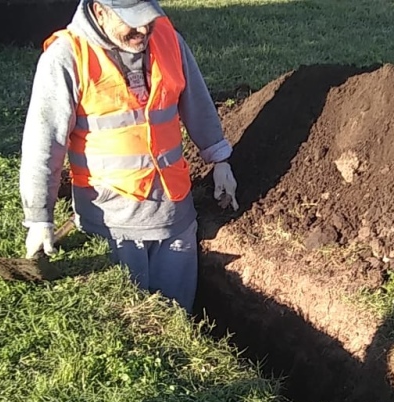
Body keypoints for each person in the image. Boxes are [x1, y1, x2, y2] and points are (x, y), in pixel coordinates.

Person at [19, 0, 237, 313]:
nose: (143, 29)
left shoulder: (168, 39)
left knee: (178, 325)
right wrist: (40, 218)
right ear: (99, 11)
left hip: (175, 218)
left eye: (147, 18)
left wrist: (219, 159)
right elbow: (44, 143)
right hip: (113, 224)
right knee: (134, 326)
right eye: (132, 21)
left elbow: (198, 102)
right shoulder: (67, 56)